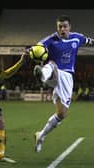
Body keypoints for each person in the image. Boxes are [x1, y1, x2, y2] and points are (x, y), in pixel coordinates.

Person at [33, 15, 94, 153]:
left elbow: (90, 41)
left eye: (65, 26)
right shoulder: (51, 39)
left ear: (69, 27)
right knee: (52, 64)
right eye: (60, 26)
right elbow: (38, 47)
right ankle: (41, 75)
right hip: (53, 73)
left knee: (61, 114)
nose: (62, 29)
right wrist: (32, 51)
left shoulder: (77, 37)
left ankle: (40, 136)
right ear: (57, 28)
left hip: (67, 77)